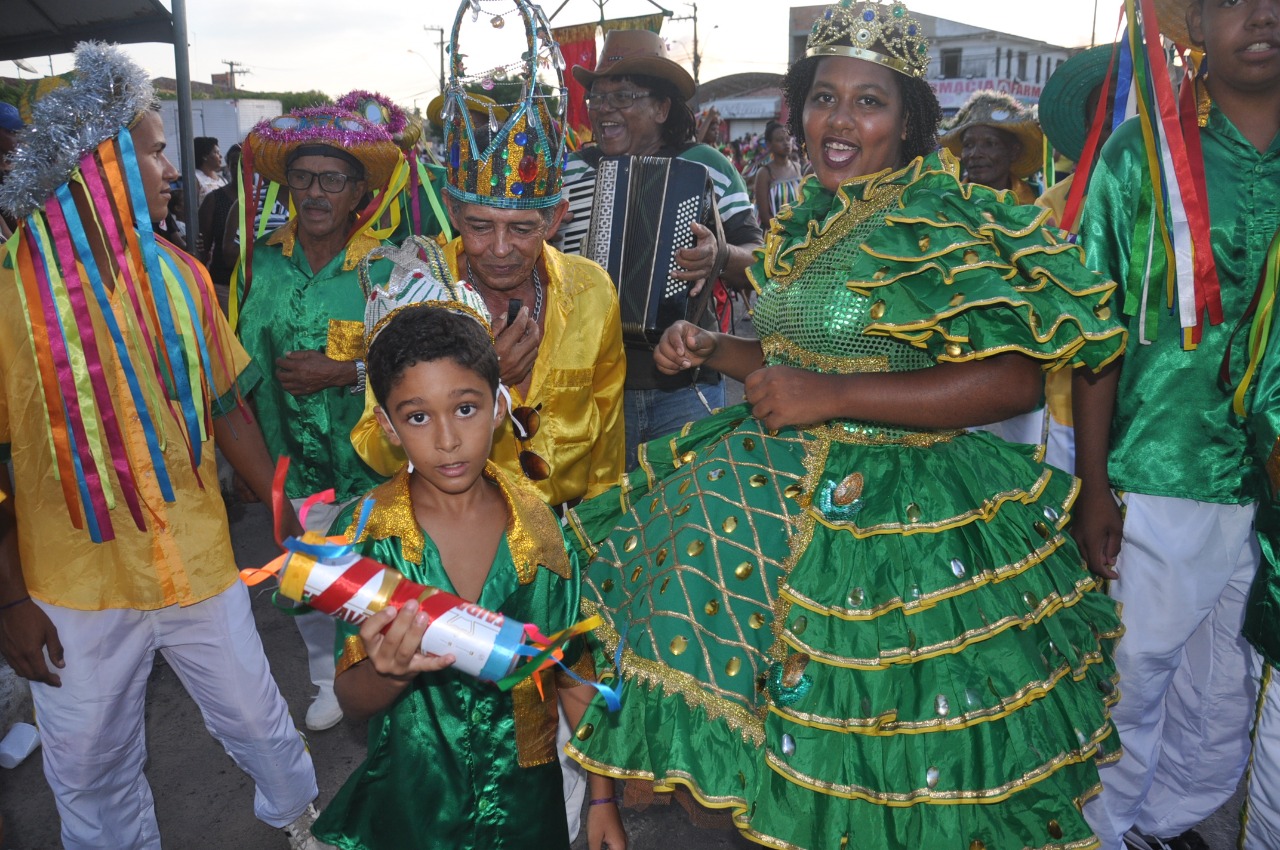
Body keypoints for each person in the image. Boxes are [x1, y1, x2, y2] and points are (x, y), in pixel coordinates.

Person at [562, 2, 1128, 847]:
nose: (839, 120)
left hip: (900, 522)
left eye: (869, 102)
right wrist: (714, 348)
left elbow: (1013, 381)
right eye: (824, 97)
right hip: (777, 492)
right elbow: (793, 362)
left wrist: (831, 398)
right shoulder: (815, 217)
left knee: (885, 756)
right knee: (781, 741)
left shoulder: (938, 217)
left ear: (908, 121)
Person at [0, 43, 327, 850]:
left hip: (198, 559)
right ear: (98, 168)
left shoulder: (181, 274)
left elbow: (227, 408)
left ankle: (300, 818)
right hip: (73, 584)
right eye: (152, 151)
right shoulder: (8, 294)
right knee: (87, 759)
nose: (173, 170)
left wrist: (284, 511)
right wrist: (9, 600)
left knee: (256, 715)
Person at [308, 237, 627, 850]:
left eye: (466, 408)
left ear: (500, 407)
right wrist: (388, 673)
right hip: (415, 806)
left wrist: (602, 799)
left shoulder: (539, 529)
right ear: (388, 427)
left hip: (524, 806)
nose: (448, 440)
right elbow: (353, 699)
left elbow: (572, 673)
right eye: (418, 417)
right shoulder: (371, 538)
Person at [1072, 0, 1280, 847]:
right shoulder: (1139, 158)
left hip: (1271, 489)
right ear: (1196, 21)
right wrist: (1093, 486)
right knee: (1132, 677)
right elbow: (1095, 332)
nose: (1261, 16)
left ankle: (1166, 826)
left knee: (1227, 686)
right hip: (1162, 471)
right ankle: (1102, 831)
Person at [236, 105, 403, 733]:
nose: (314, 192)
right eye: (302, 178)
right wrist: (244, 463)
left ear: (359, 192)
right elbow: (236, 366)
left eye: (332, 180)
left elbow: (412, 367)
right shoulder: (259, 262)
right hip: (286, 460)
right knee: (305, 577)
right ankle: (326, 678)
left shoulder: (386, 269)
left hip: (368, 463)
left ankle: (380, 673)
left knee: (374, 575)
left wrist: (346, 373)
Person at [565, 29, 764, 466]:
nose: (604, 109)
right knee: (606, 507)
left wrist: (720, 256)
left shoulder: (706, 165)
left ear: (661, 108)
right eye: (598, 98)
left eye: (623, 97)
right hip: (593, 387)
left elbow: (762, 261)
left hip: (685, 384)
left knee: (684, 504)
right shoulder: (571, 172)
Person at [941, 89, 1045, 205]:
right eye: (968, 145)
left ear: (1013, 151)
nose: (975, 154)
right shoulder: (947, 203)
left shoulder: (1040, 201)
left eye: (990, 143)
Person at [752, 119, 802, 227]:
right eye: (780, 140)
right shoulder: (764, 173)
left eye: (788, 138)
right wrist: (786, 230)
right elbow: (765, 216)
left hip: (801, 231)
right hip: (776, 233)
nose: (786, 143)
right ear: (769, 144)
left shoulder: (797, 167)